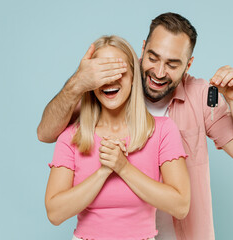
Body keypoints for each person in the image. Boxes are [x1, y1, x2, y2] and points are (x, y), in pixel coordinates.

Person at [38, 13, 233, 240]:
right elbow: (46, 133)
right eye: (153, 58)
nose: (158, 72)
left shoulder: (197, 98)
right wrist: (77, 83)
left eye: (172, 64)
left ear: (188, 65)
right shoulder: (112, 84)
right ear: (143, 49)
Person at [44, 35, 190, 240]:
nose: (110, 80)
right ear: (90, 82)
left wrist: (123, 167)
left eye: (118, 71)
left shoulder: (162, 131)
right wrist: (103, 172)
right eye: (102, 73)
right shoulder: (71, 137)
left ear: (133, 76)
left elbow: (180, 205)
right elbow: (55, 213)